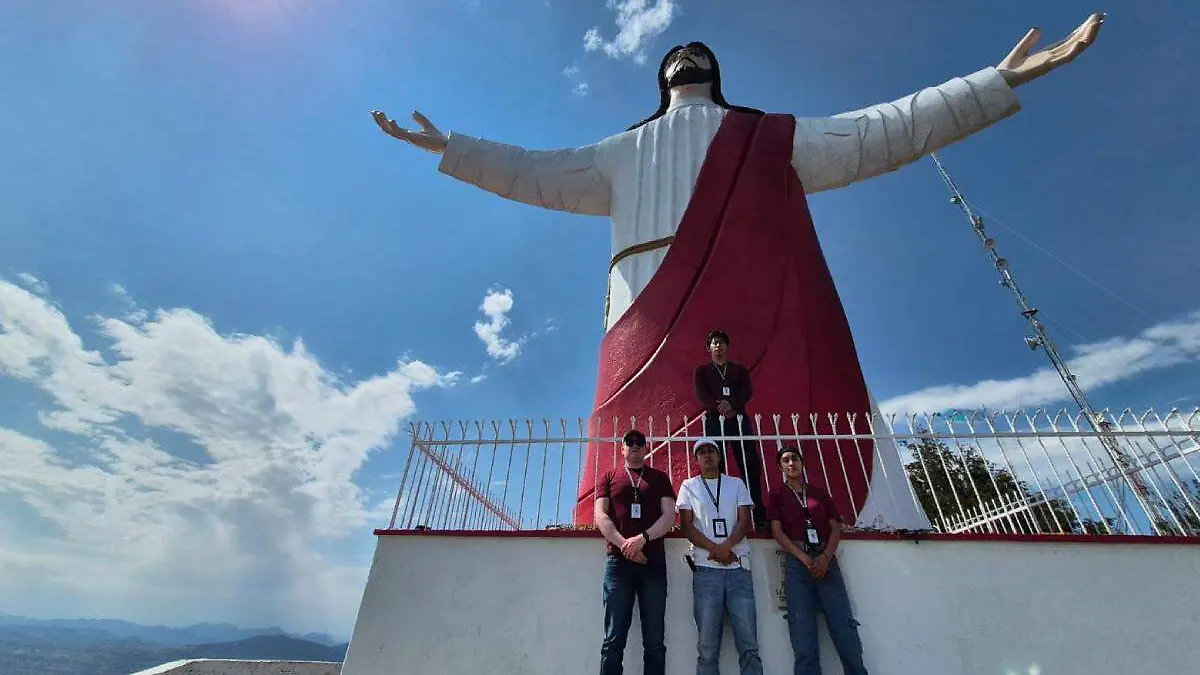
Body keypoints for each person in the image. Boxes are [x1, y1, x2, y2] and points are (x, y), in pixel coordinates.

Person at [370, 16, 1106, 531]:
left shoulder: (768, 137)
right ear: (663, 80)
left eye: (698, 54)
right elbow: (528, 170)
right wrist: (451, 146)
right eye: (677, 54)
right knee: (635, 451)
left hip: (756, 308)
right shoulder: (619, 154)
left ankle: (812, 519)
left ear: (708, 77)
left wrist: (996, 81)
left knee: (778, 431)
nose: (687, 56)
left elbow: (884, 130)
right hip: (641, 320)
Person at [768, 445, 868, 675]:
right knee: (801, 628)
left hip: (825, 557)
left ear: (802, 463)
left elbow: (835, 528)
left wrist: (825, 557)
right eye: (785, 460)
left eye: (794, 459)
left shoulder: (819, 493)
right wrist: (803, 557)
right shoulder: (776, 495)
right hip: (797, 560)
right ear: (780, 467)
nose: (791, 463)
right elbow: (777, 532)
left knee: (843, 625)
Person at [594, 429, 678, 675]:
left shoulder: (660, 478)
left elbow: (669, 516)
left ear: (646, 447)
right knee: (613, 640)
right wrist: (625, 545)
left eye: (639, 442)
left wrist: (642, 539)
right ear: (621, 449)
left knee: (654, 641)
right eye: (629, 442)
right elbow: (600, 515)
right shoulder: (609, 477)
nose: (634, 445)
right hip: (618, 564)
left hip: (652, 562)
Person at [676, 437, 762, 675]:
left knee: (749, 644)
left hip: (738, 569)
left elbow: (745, 520)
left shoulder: (736, 484)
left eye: (711, 451)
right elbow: (687, 526)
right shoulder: (688, 486)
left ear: (719, 456)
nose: (707, 455)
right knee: (707, 646)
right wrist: (716, 550)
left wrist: (728, 546)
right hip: (706, 570)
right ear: (696, 459)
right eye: (701, 452)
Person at [693, 330, 765, 530]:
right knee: (716, 464)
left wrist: (731, 405)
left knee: (749, 463)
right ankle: (722, 513)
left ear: (727, 347)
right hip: (715, 419)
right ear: (709, 348)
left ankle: (758, 515)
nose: (718, 346)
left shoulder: (738, 370)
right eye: (715, 343)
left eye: (722, 343)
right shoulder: (703, 370)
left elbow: (747, 391)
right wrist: (719, 407)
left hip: (738, 418)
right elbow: (702, 393)